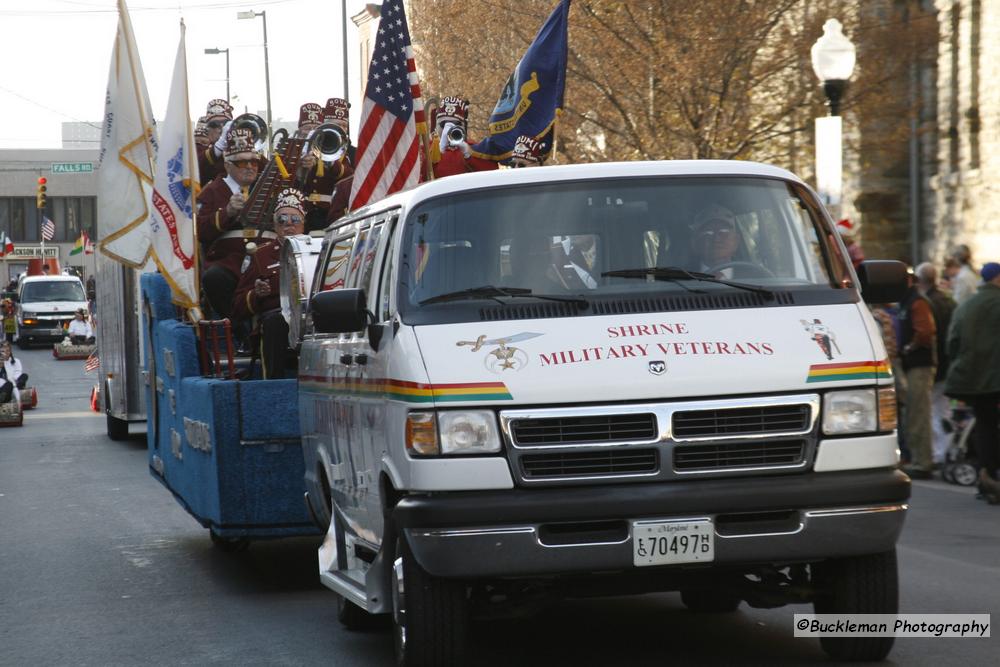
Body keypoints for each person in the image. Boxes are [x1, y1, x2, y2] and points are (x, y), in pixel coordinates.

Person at [231, 188, 306, 379]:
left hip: (311, 314)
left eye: (295, 219)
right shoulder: (260, 255)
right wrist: (256, 294)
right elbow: (237, 306)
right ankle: (274, 386)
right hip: (277, 317)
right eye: (282, 220)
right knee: (275, 323)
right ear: (274, 225)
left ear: (304, 224)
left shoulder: (316, 250)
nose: (289, 224)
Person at [944, 261, 1000, 503]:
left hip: (974, 379)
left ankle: (986, 477)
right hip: (996, 377)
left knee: (984, 427)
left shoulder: (965, 306)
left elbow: (952, 344)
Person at [196, 126, 263, 319]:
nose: (250, 167)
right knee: (214, 279)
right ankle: (237, 329)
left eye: (254, 162)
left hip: (262, 258)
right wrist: (227, 213)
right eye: (242, 163)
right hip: (228, 261)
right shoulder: (212, 191)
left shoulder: (264, 188)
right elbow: (200, 230)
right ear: (227, 166)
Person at [915, 262, 957, 463]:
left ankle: (938, 452)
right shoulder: (947, 301)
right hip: (949, 362)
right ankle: (947, 448)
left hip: (934, 363)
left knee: (931, 409)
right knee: (943, 409)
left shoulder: (927, 302)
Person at [899, 268, 937, 478]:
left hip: (920, 365)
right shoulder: (908, 300)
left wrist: (908, 348)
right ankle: (919, 459)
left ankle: (923, 462)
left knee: (919, 414)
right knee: (914, 413)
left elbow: (925, 332)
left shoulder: (916, 301)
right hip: (913, 365)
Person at [297, 100, 354, 232]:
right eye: (307, 129)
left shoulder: (346, 151)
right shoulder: (293, 152)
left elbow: (350, 176)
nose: (311, 132)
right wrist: (301, 169)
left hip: (330, 213)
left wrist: (330, 161)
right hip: (304, 214)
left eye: (344, 126)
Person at [429, 96, 498, 178]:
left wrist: (469, 155)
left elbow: (492, 174)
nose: (449, 129)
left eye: (456, 124)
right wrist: (440, 149)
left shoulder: (474, 148)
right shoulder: (426, 149)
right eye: (443, 124)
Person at [197, 99, 235, 187]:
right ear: (207, 129)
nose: (221, 128)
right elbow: (196, 170)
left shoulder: (239, 146)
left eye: (225, 123)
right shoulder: (200, 149)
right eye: (214, 124)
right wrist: (219, 146)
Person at [0, 340, 27, 405]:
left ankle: (4, 397)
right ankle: (2, 398)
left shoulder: (16, 361)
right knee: (8, 385)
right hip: (3, 386)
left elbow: (18, 372)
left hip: (14, 382)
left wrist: (13, 379)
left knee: (24, 376)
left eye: (8, 351)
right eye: (3, 351)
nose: (6, 353)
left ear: (10, 351)